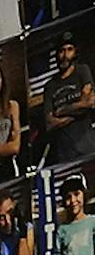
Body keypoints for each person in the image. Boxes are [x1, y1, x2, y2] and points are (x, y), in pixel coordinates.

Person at [41, 31, 95, 162]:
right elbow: (49, 124)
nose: (65, 55)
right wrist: (78, 109)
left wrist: (61, 111)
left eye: (69, 50)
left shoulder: (82, 71)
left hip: (88, 146)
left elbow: (90, 103)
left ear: (75, 52)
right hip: (65, 154)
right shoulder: (50, 86)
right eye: (61, 51)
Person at [54, 172, 95, 255]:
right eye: (68, 197)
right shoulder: (62, 231)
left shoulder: (92, 222)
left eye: (76, 194)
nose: (73, 201)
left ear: (84, 194)